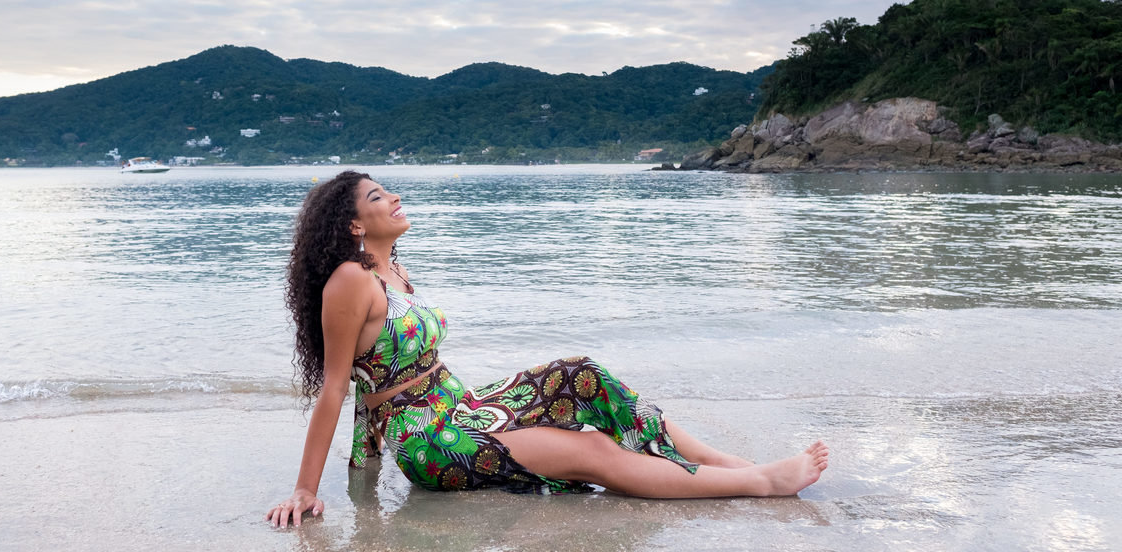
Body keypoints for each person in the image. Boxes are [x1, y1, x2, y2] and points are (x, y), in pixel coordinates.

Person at [267, 171, 828, 527]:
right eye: (378, 196)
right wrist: (305, 489)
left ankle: (723, 463)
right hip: (430, 438)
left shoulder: (390, 269)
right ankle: (762, 483)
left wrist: (366, 463)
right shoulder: (349, 280)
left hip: (461, 405)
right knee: (590, 451)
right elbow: (339, 388)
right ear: (353, 225)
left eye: (387, 190)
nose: (394, 197)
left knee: (580, 373)